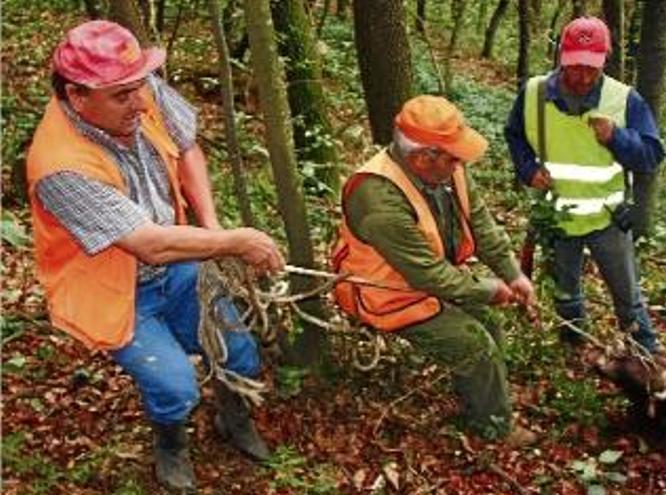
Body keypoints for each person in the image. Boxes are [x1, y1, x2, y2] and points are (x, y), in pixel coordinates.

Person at [26, 21, 285, 491]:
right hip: (116, 288)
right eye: (122, 96)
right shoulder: (58, 165)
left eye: (140, 86)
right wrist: (234, 242)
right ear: (77, 97)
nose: (141, 102)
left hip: (180, 264)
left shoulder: (139, 89)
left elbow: (187, 150)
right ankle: (171, 443)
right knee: (174, 387)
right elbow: (148, 242)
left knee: (240, 353)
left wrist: (211, 225)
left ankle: (233, 415)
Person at [332, 95, 538, 446]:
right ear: (422, 157)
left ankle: (486, 402)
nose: (459, 164)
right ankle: (494, 431)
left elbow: (482, 224)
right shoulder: (377, 197)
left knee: (490, 325)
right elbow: (425, 275)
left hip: (431, 280)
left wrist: (512, 274)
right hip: (389, 296)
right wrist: (489, 290)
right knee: (475, 345)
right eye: (452, 156)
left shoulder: (448, 171)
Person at [504, 16, 664, 352]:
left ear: (604, 60)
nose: (582, 76)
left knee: (628, 299)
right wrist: (527, 168)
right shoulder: (533, 94)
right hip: (559, 217)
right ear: (562, 57)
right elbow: (514, 134)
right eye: (575, 66)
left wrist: (616, 137)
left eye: (591, 67)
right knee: (567, 295)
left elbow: (650, 155)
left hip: (607, 219)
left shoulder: (625, 100)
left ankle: (649, 360)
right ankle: (573, 350)